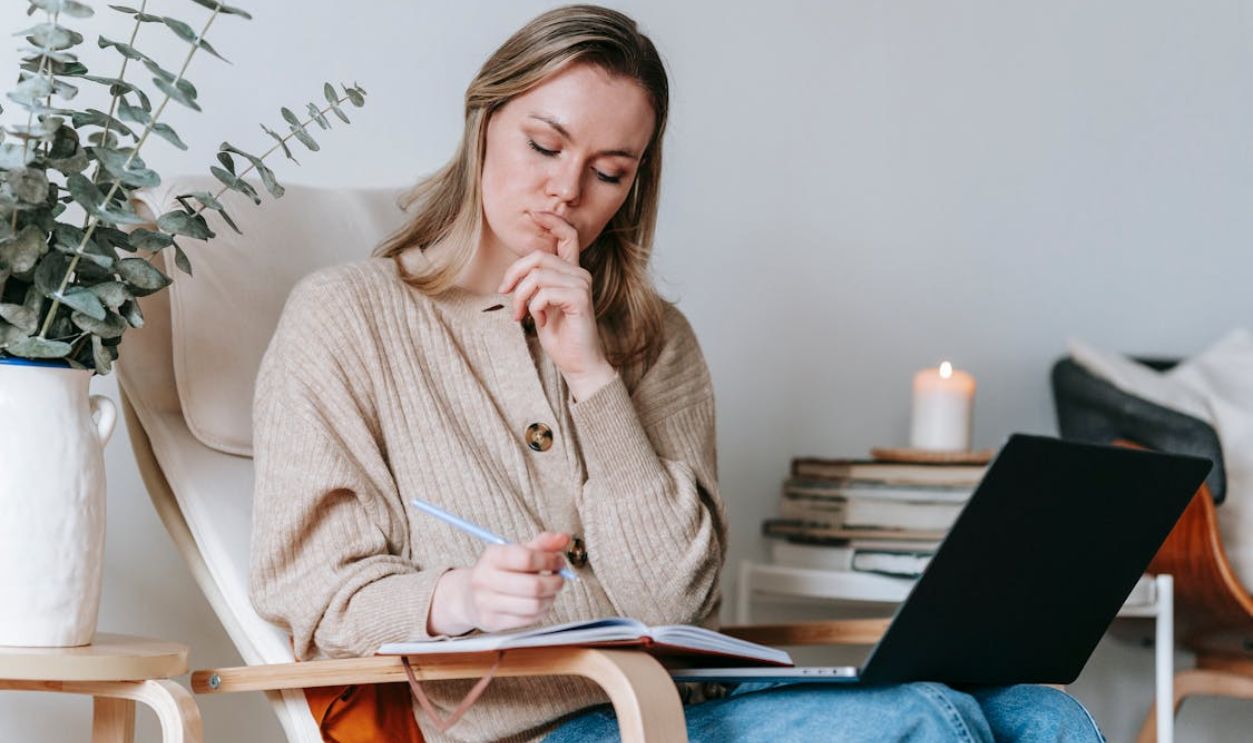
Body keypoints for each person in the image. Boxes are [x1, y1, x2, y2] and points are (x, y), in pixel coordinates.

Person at [249, 5, 1106, 742]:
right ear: (482, 123)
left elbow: (672, 596)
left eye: (608, 172)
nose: (565, 190)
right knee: (922, 717)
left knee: (1042, 714)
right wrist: (460, 593)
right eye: (543, 144)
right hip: (522, 727)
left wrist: (591, 375)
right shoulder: (346, 317)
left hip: (677, 708)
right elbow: (315, 594)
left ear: (633, 184)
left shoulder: (654, 341)